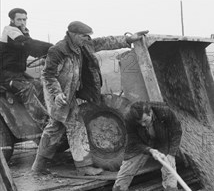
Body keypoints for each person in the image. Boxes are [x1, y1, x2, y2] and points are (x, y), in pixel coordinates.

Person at [30, 21, 147, 176]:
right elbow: (48, 75)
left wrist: (127, 40)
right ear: (73, 34)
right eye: (84, 35)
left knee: (55, 128)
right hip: (59, 96)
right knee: (76, 126)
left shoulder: (83, 45)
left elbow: (104, 42)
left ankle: (38, 166)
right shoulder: (58, 50)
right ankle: (83, 166)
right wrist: (57, 93)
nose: (87, 38)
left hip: (69, 93)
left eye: (88, 36)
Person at [111, 101, 182, 191]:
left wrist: (171, 153)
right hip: (141, 143)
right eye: (140, 122)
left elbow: (176, 131)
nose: (143, 124)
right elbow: (133, 141)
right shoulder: (129, 118)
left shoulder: (164, 111)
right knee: (127, 168)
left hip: (162, 141)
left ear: (151, 113)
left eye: (145, 121)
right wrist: (150, 150)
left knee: (169, 166)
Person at [0, 8, 52, 124]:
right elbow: (28, 44)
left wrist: (46, 57)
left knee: (40, 85)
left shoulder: (23, 33)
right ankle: (44, 122)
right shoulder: (10, 31)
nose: (22, 22)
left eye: (24, 19)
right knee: (26, 88)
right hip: (6, 74)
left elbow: (30, 49)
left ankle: (51, 115)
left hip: (18, 73)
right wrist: (52, 48)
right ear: (12, 20)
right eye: (19, 19)